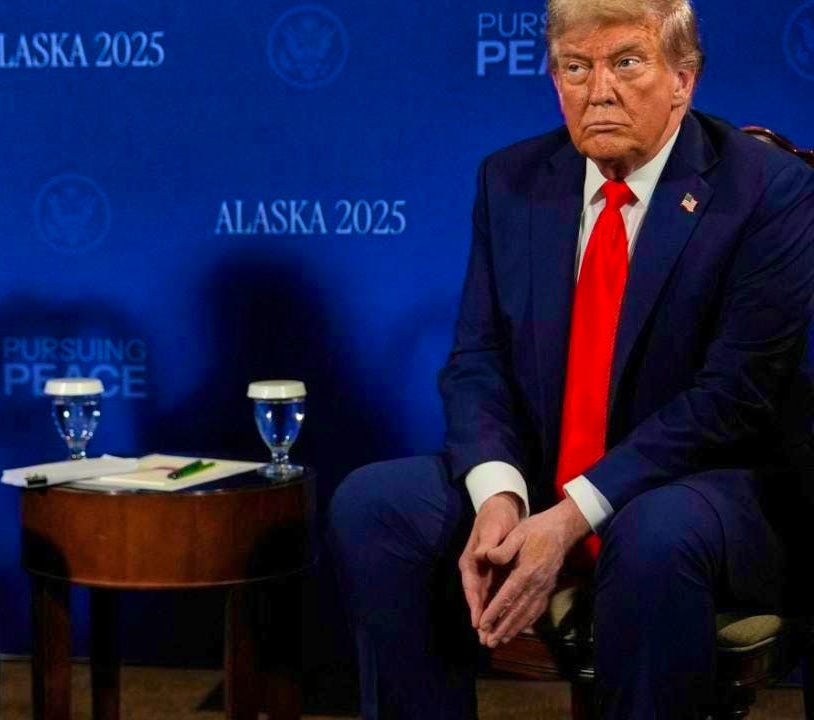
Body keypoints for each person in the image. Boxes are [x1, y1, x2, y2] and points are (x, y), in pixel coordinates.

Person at [328, 0, 814, 718]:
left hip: (712, 485)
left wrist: (573, 516)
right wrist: (499, 496)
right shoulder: (513, 181)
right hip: (547, 469)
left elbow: (733, 397)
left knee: (652, 533)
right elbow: (477, 360)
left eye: (627, 62)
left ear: (683, 79)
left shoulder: (766, 190)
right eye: (576, 67)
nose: (599, 91)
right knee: (376, 505)